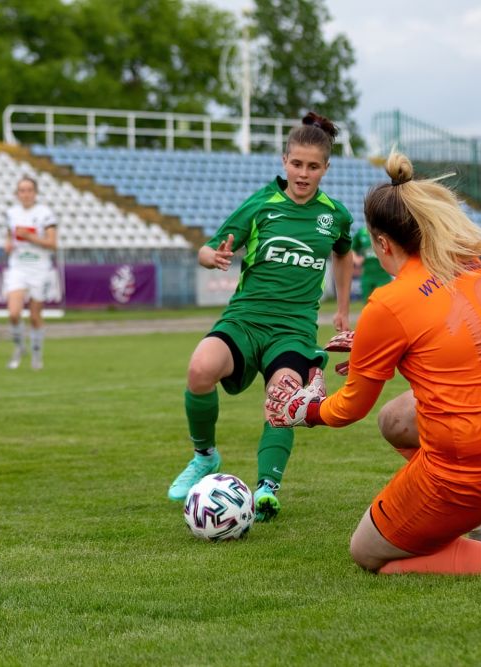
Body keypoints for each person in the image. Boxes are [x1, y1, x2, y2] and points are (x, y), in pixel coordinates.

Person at [264, 151, 481, 576]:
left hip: (474, 461)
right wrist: (372, 344)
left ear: (383, 243)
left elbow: (350, 408)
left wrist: (303, 410)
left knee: (368, 553)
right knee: (395, 419)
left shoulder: (390, 301)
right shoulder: (468, 263)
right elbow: (457, 338)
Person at [167, 112, 354, 522]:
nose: (303, 174)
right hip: (246, 319)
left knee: (283, 395)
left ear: (326, 168)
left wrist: (342, 308)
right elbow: (207, 248)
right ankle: (204, 456)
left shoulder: (335, 216)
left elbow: (344, 254)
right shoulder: (261, 204)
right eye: (296, 163)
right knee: (200, 370)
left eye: (313, 166)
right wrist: (212, 257)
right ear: (284, 161)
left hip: (293, 329)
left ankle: (267, 487)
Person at [4, 176, 58, 371]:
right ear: (17, 194)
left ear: (35, 193)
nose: (25, 194)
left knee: (35, 316)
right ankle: (19, 348)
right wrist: (8, 244)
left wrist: (31, 237)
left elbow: (53, 244)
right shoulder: (11, 213)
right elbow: (9, 235)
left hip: (39, 267)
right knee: (14, 313)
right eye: (22, 190)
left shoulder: (45, 214)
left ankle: (37, 354)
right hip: (18, 266)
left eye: (29, 190)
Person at [351, 223, 392, 301]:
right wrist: (356, 259)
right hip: (367, 275)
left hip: (383, 275)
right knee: (367, 303)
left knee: (385, 302)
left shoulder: (384, 232)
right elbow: (352, 248)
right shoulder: (361, 233)